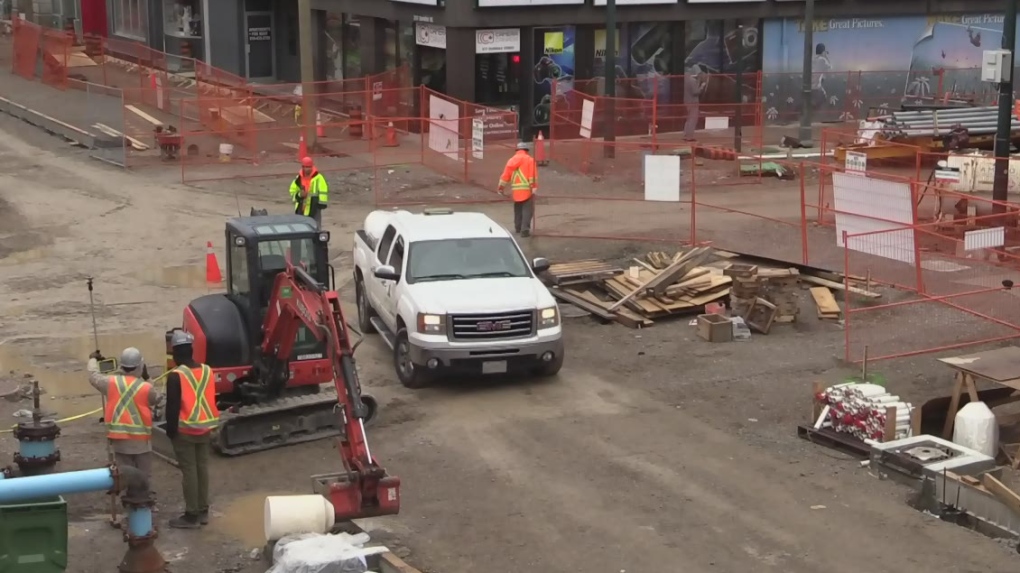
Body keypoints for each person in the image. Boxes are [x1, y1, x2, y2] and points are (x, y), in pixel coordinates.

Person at [164, 330, 221, 529]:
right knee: (201, 468)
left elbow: (172, 408)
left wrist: (170, 431)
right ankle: (203, 510)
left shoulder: (176, 376)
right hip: (205, 427)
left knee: (189, 471)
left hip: (186, 429)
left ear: (175, 353)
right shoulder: (207, 370)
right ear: (191, 349)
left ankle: (191, 515)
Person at [87, 348, 163, 481]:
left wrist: (93, 359)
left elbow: (94, 376)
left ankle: (129, 497)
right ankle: (142, 498)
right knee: (143, 478)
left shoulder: (110, 383)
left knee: (126, 477)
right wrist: (148, 378)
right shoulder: (145, 387)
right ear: (140, 366)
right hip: (141, 442)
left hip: (119, 439)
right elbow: (157, 398)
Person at [497, 142, 538, 237]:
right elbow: (532, 175)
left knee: (518, 209)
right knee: (528, 209)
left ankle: (518, 228)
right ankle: (525, 230)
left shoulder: (511, 160)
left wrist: (500, 187)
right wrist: (534, 186)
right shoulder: (530, 160)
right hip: (527, 189)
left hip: (516, 190)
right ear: (526, 150)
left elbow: (505, 176)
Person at [289, 156, 329, 229]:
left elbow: (323, 191)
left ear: (312, 166)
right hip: (301, 207)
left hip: (314, 206)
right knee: (300, 227)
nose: (307, 169)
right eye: (305, 167)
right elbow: (292, 191)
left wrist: (321, 204)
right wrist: (299, 195)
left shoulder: (319, 177)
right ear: (302, 167)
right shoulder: (298, 178)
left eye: (309, 167)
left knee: (315, 227)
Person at [683, 65, 708, 141]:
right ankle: (689, 136)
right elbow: (695, 92)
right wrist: (702, 86)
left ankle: (686, 134)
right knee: (693, 119)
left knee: (688, 119)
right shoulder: (692, 80)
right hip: (693, 102)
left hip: (687, 101)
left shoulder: (686, 79)